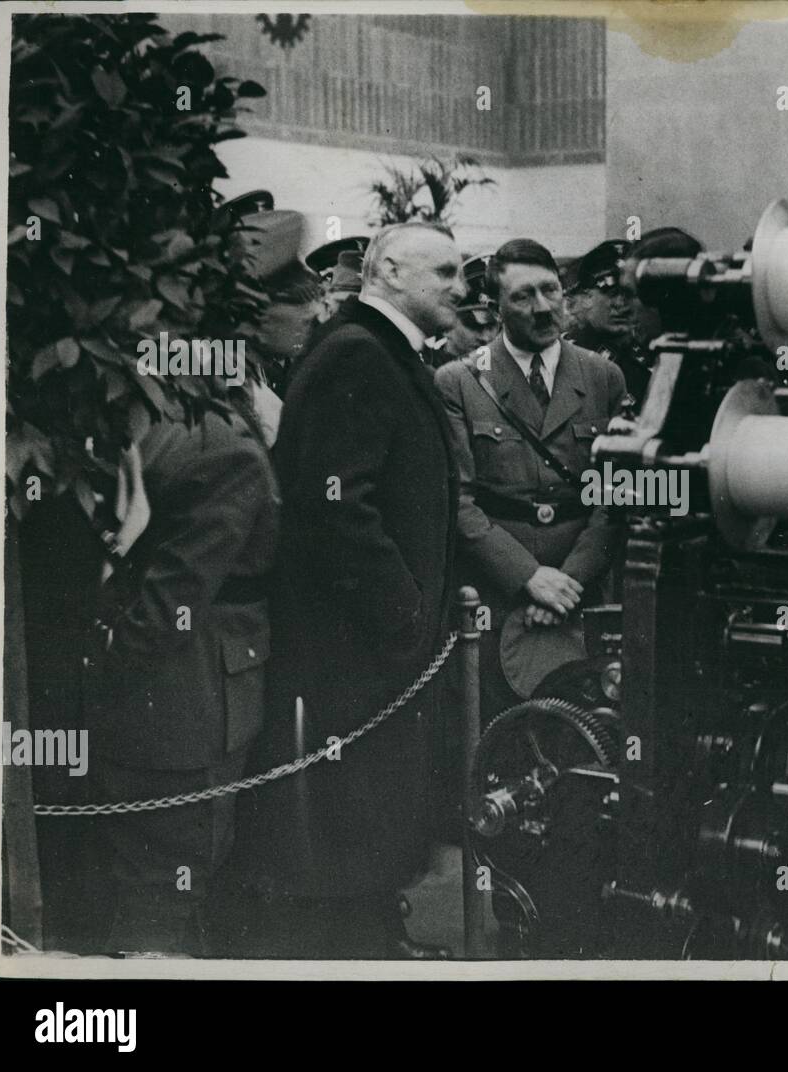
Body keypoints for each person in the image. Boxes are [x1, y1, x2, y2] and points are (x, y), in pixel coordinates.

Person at [229, 221, 466, 958]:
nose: (462, 287)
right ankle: (354, 951)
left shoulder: (374, 348)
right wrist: (403, 611)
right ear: (390, 269)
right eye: (447, 273)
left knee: (372, 805)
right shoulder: (360, 352)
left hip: (368, 645)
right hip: (351, 646)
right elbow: (335, 507)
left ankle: (372, 937)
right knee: (348, 810)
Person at [82, 397, 280, 956]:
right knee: (167, 883)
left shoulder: (169, 432)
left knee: (159, 881)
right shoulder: (224, 448)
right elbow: (172, 601)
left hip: (168, 697)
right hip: (185, 703)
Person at [435, 239, 626, 720]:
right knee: (496, 734)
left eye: (550, 291)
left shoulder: (603, 377)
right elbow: (458, 500)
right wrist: (528, 578)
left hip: (583, 595)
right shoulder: (459, 381)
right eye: (523, 296)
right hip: (496, 600)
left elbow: (616, 496)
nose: (542, 308)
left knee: (590, 732)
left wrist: (569, 582)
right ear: (495, 306)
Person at [564, 238, 650, 404]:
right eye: (611, 293)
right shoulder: (564, 355)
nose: (621, 305)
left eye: (628, 294)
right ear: (585, 297)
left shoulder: (646, 356)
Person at [425, 253, 499, 367]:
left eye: (491, 326)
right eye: (474, 326)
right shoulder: (427, 370)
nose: (485, 338)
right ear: (446, 327)